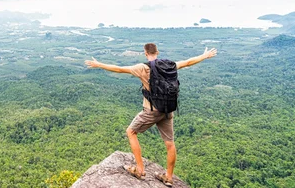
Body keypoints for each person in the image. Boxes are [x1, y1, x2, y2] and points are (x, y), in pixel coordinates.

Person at [84, 43, 217, 186]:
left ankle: (140, 169)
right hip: (167, 110)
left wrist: (98, 64)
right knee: (170, 144)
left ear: (145, 53)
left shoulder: (143, 68)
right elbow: (188, 62)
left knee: (131, 131)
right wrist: (204, 56)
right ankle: (169, 177)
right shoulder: (170, 65)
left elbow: (119, 69)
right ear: (157, 52)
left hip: (151, 111)